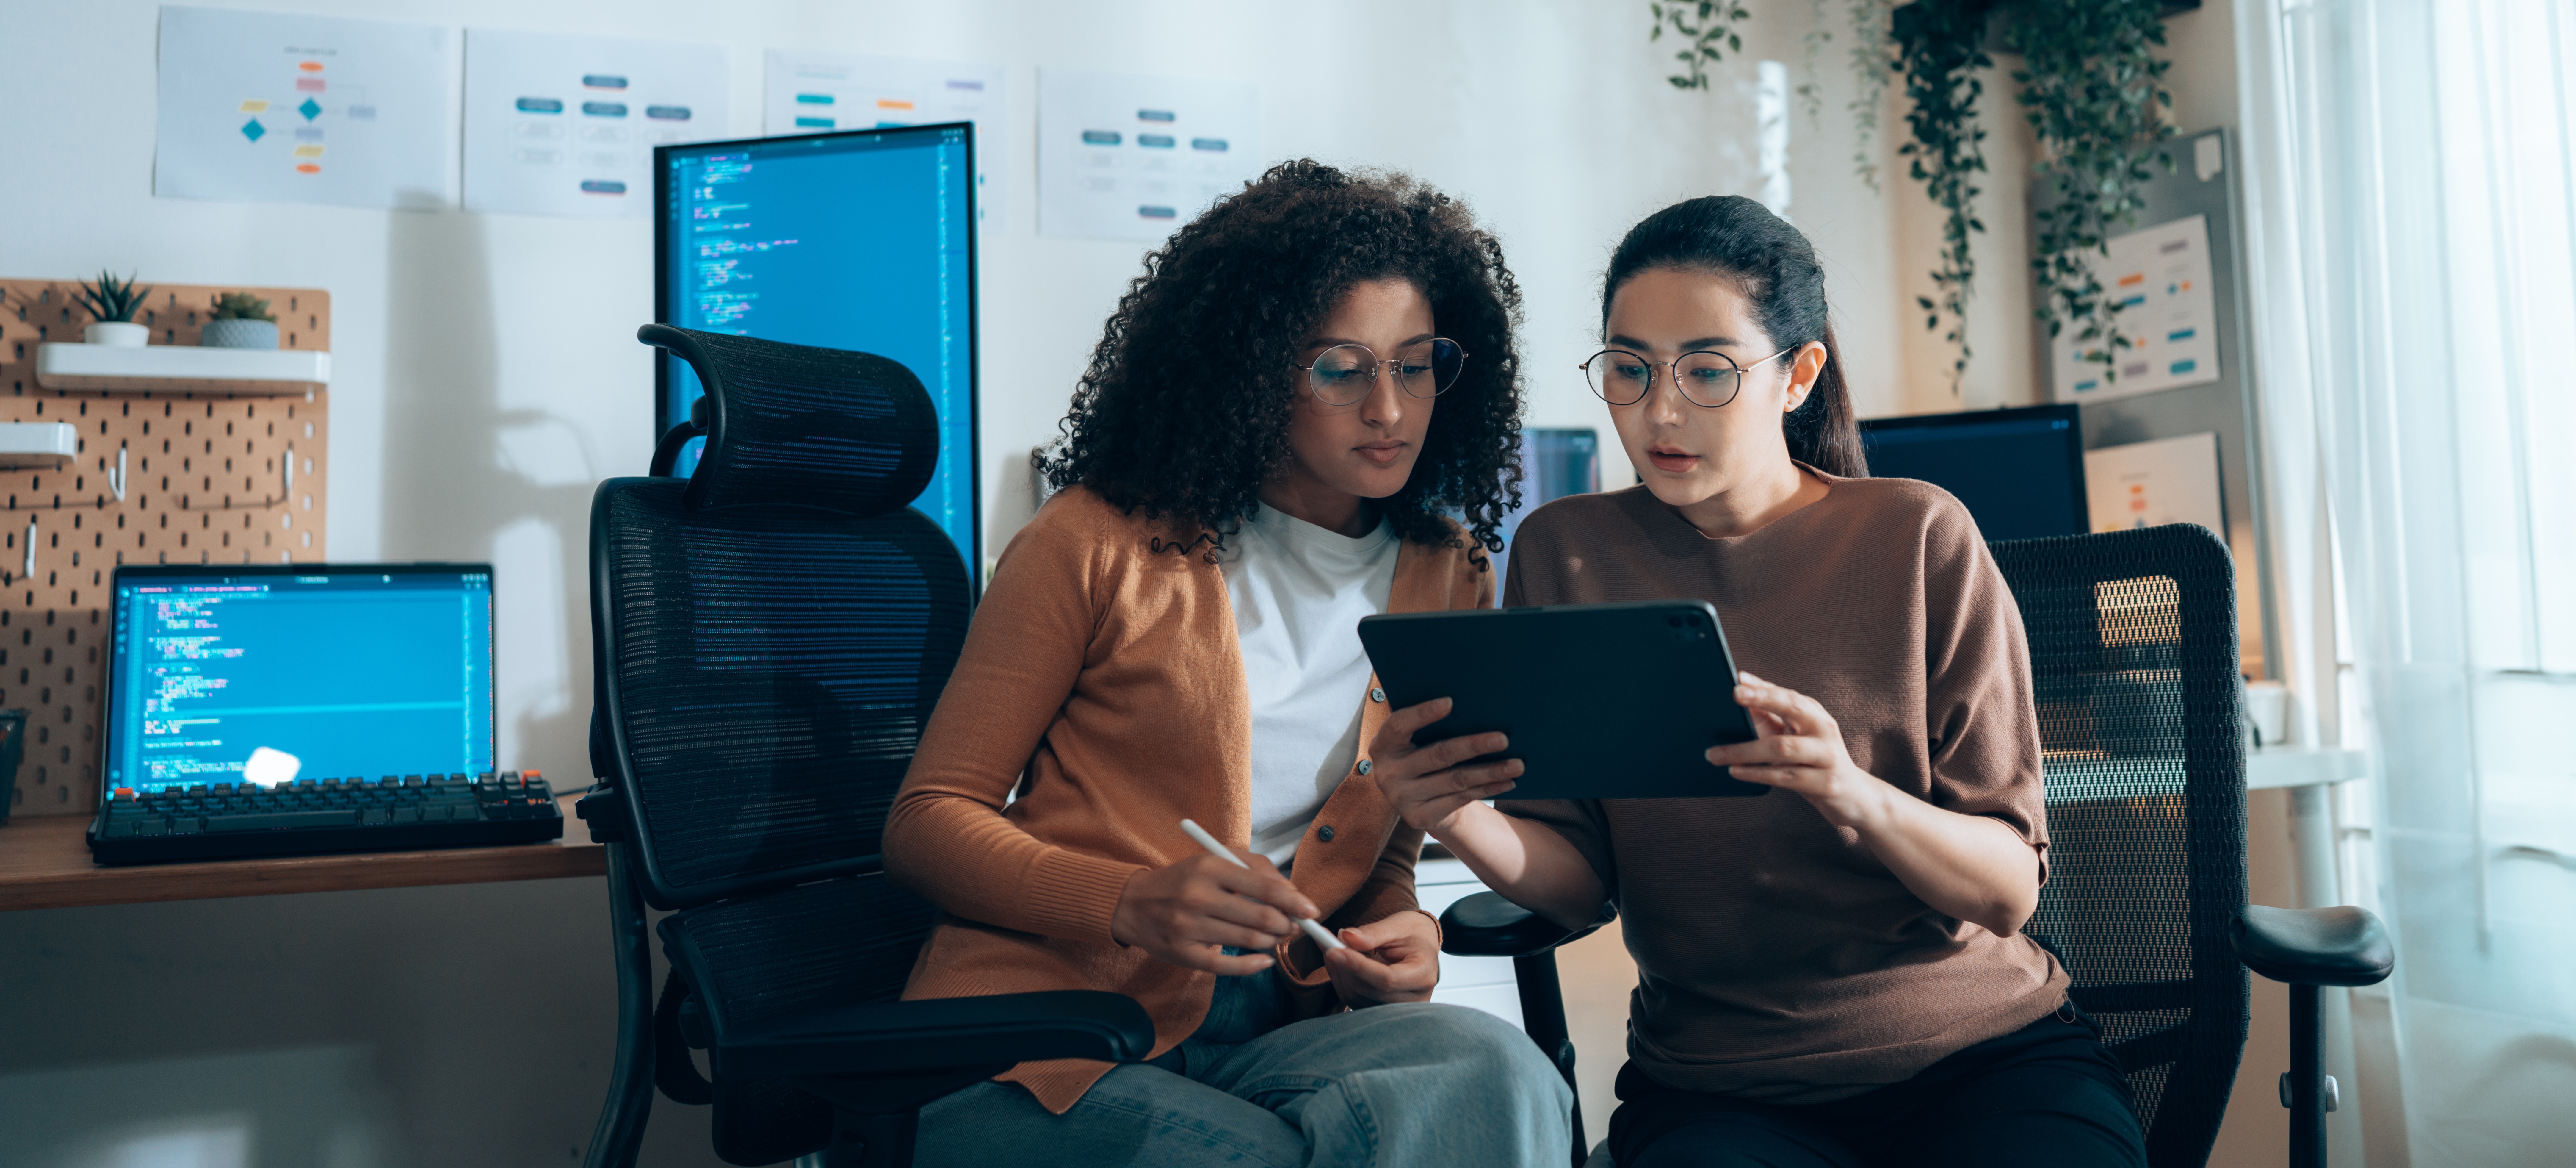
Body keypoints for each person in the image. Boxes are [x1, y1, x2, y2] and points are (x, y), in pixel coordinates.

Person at [1369, 195, 2149, 1168]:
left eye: (1706, 371)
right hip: (1720, 1092)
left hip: (1983, 1059)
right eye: (1629, 370)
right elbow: (1576, 889)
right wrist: (1457, 816)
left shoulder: (1916, 536)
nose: (1659, 412)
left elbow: (2003, 893)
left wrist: (1849, 792)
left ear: (1797, 376)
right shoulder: (1567, 553)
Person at [883, 160, 1572, 1167]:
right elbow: (924, 824)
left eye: (1417, 364)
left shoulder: (1445, 571)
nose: (1390, 408)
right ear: (1249, 373)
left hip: (1271, 1035)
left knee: (1497, 1072)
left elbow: (1377, 847)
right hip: (1038, 1044)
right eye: (1342, 369)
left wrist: (1400, 934)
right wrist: (1124, 902)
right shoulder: (1094, 541)